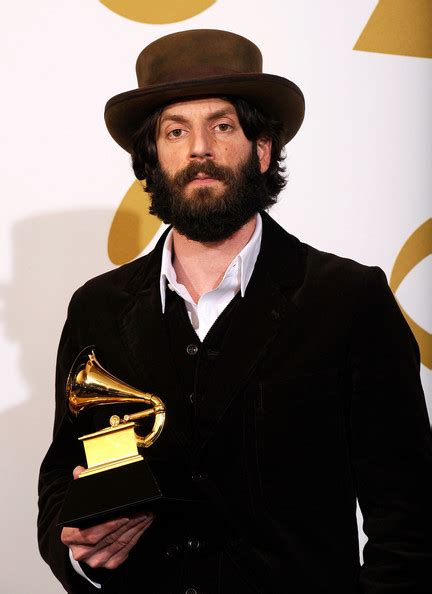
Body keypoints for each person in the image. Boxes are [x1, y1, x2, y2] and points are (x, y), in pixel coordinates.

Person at [38, 29, 432, 594]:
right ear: (151, 161)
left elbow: (410, 524)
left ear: (263, 150)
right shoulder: (96, 307)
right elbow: (61, 473)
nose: (199, 149)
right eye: (176, 132)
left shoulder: (350, 299)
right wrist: (81, 550)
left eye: (221, 126)